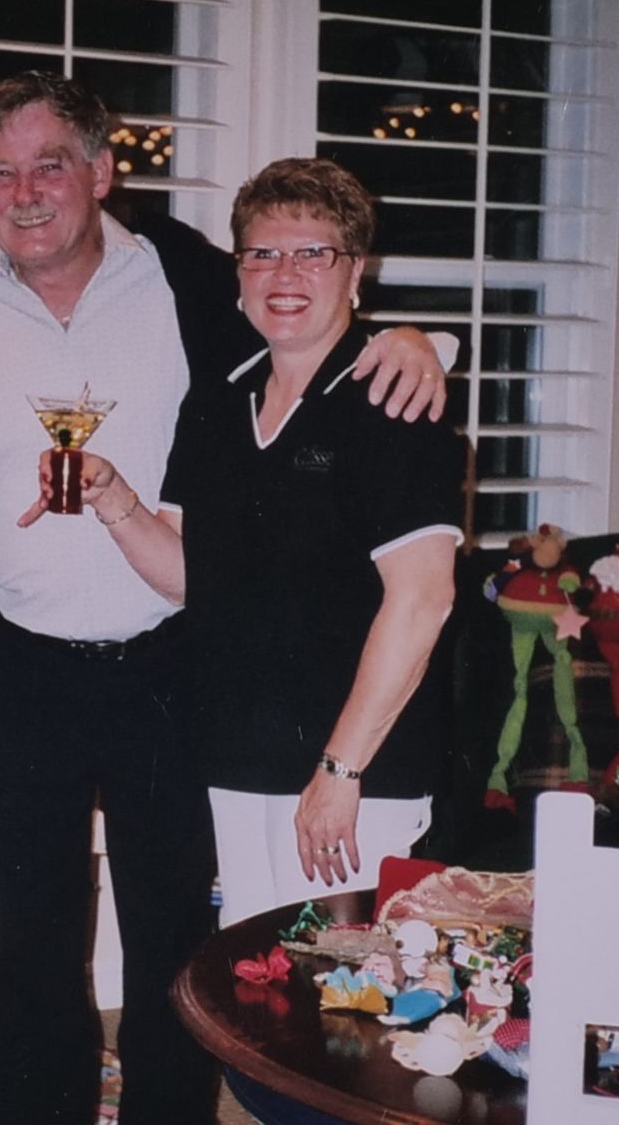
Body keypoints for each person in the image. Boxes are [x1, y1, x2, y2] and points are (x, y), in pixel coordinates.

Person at [0, 72, 450, 1124]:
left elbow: (304, 320)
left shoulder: (186, 273)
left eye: (50, 165)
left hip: (174, 662)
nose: (25, 193)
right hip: (23, 661)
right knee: (35, 938)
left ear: (101, 172)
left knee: (177, 936)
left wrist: (413, 342)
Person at [56, 157, 462, 927]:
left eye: (313, 253)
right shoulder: (217, 402)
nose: (285, 274)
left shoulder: (392, 400)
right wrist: (114, 500)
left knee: (343, 989)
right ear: (238, 272)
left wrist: (339, 771)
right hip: (237, 762)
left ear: (355, 273)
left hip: (358, 777)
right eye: (263, 253)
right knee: (253, 977)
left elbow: (422, 602)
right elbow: (188, 578)